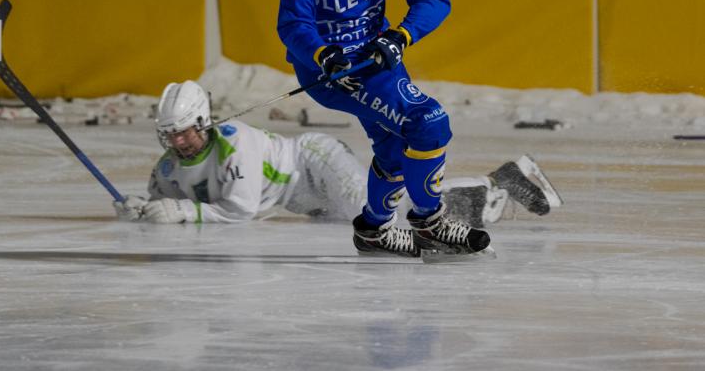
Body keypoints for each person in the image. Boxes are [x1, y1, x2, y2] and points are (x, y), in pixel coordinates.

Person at [276, 0, 485, 256]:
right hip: (332, 73)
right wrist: (323, 55)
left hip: (378, 60)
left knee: (393, 148)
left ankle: (373, 230)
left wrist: (401, 36)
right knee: (429, 122)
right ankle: (430, 223)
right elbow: (293, 25)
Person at [113, 81, 563, 260]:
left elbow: (240, 210)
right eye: (168, 133)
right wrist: (141, 208)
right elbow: (161, 199)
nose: (177, 141)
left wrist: (182, 213)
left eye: (184, 131)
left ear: (203, 122)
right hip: (303, 200)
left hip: (315, 163)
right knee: (393, 207)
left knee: (382, 211)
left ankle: (497, 185)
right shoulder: (170, 165)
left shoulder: (235, 145)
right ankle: (497, 185)